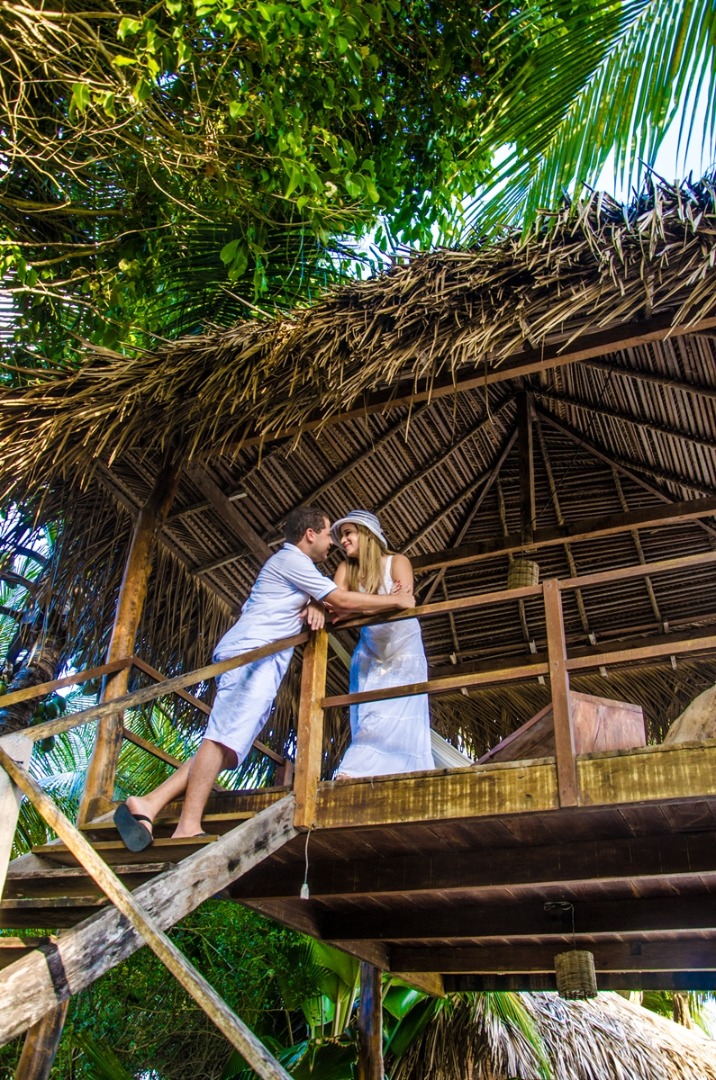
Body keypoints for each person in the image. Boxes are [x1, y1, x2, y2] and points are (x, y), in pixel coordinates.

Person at [114, 506, 416, 851]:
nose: (333, 543)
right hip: (251, 655)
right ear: (310, 534)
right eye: (330, 533)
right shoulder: (293, 562)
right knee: (222, 738)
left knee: (228, 748)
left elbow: (327, 601)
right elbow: (338, 597)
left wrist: (320, 605)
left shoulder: (301, 568)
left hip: (260, 660)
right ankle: (187, 826)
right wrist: (397, 602)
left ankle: (150, 803)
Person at [330, 509, 434, 778]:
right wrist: (388, 602)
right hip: (370, 652)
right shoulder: (345, 569)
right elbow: (333, 610)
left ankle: (407, 775)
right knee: (370, 713)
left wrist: (353, 606)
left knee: (403, 713)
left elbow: (406, 603)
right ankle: (355, 771)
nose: (343, 540)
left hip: (404, 648)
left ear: (367, 534)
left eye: (348, 533)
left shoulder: (397, 562)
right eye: (342, 535)